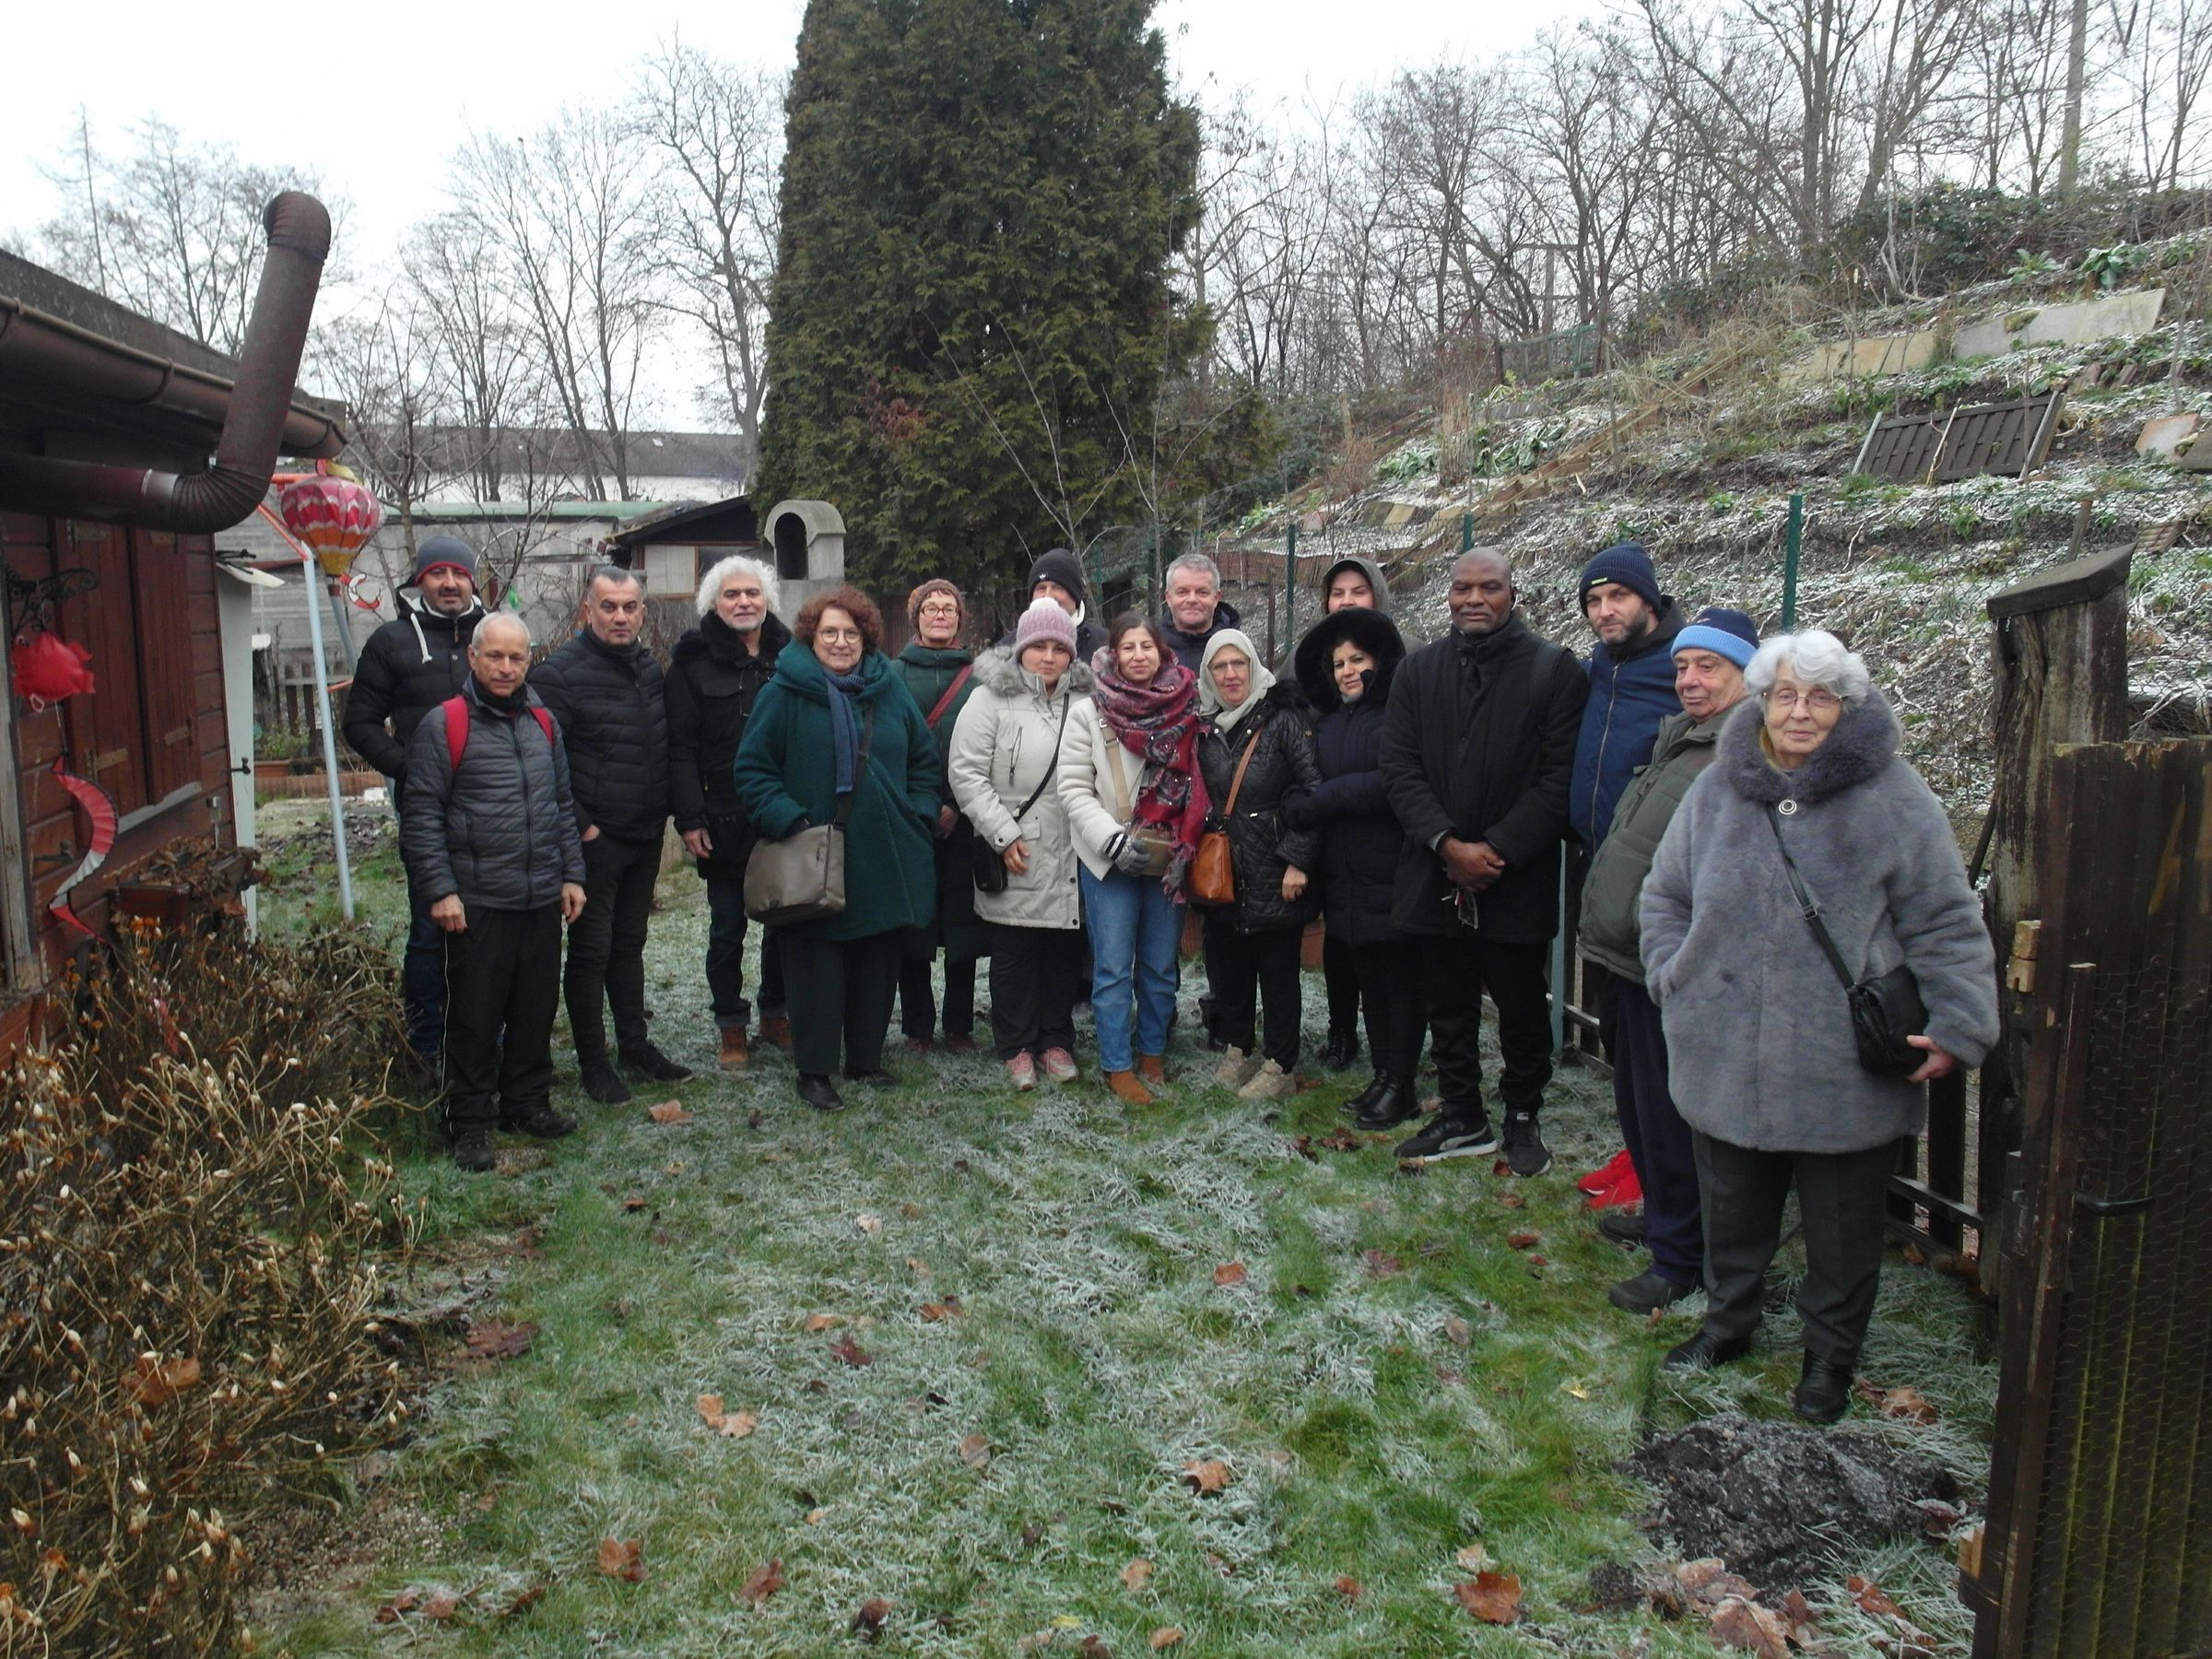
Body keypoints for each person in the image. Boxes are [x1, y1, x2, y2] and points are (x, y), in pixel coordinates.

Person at [1641, 630, 1998, 1424]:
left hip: (1842, 1062)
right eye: (1785, 695)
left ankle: (1829, 1361)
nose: (1802, 712)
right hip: (1723, 1049)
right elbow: (1664, 896)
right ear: (1762, 701)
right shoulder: (1716, 790)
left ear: (1847, 706)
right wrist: (1676, 977)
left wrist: (1959, 1022)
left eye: (1822, 696)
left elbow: (1943, 918)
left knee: (1841, 1230)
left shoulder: (1895, 796)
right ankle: (1729, 1325)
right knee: (1732, 1208)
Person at [1379, 550, 1587, 1171]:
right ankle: (1461, 1115)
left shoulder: (1554, 672)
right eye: (1462, 587)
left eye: (1489, 587)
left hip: (1513, 875)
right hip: (1435, 870)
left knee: (1522, 1005)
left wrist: (1494, 851)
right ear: (1447, 595)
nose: (1474, 598)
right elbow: (1399, 768)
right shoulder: (1417, 673)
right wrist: (1446, 843)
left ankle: (1522, 1116)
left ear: (1511, 594)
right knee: (1446, 1002)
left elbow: (1558, 781)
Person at [1576, 607, 1759, 1314]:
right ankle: (1663, 1223)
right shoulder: (1684, 740)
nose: (1689, 679)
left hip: (1672, 968)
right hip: (1627, 955)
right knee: (1641, 1106)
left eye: (1708, 666)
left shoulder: (1741, 754)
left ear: (1746, 673)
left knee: (1672, 1112)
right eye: (1682, 666)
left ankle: (1682, 1257)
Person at [734, 585, 942, 1112]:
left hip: (882, 850)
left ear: (866, 637)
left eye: (851, 633)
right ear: (811, 636)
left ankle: (865, 1060)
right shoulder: (783, 692)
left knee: (877, 959)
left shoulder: (886, 689)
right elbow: (753, 769)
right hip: (812, 852)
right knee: (815, 966)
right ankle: (815, 1070)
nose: (841, 642)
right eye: (830, 632)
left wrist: (917, 814)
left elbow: (923, 759)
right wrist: (791, 819)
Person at [399, 613, 586, 1171]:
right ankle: (471, 1122)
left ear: (529, 661)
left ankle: (526, 1104)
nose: (506, 668)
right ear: (475, 658)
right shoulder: (444, 724)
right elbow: (422, 815)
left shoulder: (544, 723)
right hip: (477, 900)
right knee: (475, 1018)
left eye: (517, 658)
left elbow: (561, 807)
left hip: (537, 894)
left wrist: (571, 875)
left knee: (533, 1009)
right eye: (496, 657)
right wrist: (440, 890)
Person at [531, 565, 689, 1103]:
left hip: (643, 833)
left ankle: (635, 1046)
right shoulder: (559, 674)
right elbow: (544, 763)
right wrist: (584, 828)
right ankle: (594, 1064)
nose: (620, 616)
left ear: (643, 612)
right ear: (587, 611)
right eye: (608, 606)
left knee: (629, 945)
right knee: (591, 951)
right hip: (595, 841)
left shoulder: (647, 668)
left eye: (629, 607)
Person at [343, 534, 487, 1064]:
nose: (449, 584)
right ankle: (426, 1048)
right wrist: (413, 769)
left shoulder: (494, 634)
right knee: (431, 925)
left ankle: (485, 1043)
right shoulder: (392, 641)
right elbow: (358, 723)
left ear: (473, 579)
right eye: (437, 574)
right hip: (426, 809)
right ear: (419, 580)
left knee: (487, 928)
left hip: (494, 806)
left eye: (459, 573)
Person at [1062, 614, 1205, 1105]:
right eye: (1129, 647)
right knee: (1114, 966)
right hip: (1110, 858)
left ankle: (1153, 1052)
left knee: (1161, 966)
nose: (1139, 655)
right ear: (1113, 655)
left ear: (1162, 653)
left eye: (1147, 646)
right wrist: (1112, 843)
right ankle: (1117, 1064)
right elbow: (1074, 790)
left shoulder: (1188, 706)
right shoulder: (1089, 711)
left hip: (1170, 857)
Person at [949, 599, 1091, 1090]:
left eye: (1058, 648)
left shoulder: (1085, 703)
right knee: (1014, 952)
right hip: (1016, 849)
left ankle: (1055, 1039)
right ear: (1021, 650)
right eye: (1038, 648)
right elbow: (966, 773)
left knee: (1063, 951)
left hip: (1073, 849)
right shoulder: (989, 700)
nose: (1048, 657)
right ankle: (1015, 1046)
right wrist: (1002, 833)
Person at [1288, 606, 1420, 1129]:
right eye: (1338, 662)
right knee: (1369, 981)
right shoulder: (1328, 725)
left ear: (1379, 662)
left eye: (1357, 659)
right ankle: (1384, 1078)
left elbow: (1391, 782)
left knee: (1399, 983)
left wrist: (1321, 801)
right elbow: (1308, 781)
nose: (1347, 670)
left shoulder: (1395, 715)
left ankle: (1402, 1080)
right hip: (1346, 872)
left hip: (1391, 868)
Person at [665, 554, 791, 1071]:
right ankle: (730, 1025)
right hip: (721, 821)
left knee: (785, 924)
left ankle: (776, 1013)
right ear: (713, 604)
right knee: (726, 930)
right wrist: (690, 818)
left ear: (767, 601)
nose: (743, 602)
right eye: (731, 595)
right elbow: (680, 749)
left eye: (752, 593)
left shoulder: (792, 657)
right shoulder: (692, 665)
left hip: (782, 818)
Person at [1193, 629, 1321, 1102]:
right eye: (1219, 667)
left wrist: (1298, 861)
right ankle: (1238, 1049)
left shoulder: (1284, 720)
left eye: (1238, 664)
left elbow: (1313, 790)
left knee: (1279, 973)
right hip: (1222, 868)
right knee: (1229, 970)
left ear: (1253, 666)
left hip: (1273, 866)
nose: (1230, 675)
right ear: (1209, 674)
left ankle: (1280, 1064)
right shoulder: (1204, 726)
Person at [1307, 556, 1395, 1071]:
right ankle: (1342, 1032)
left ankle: (1390, 1050)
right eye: (1337, 592)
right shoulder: (1318, 667)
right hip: (1331, 838)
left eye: (1357, 591)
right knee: (1337, 939)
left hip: (1380, 839)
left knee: (1383, 948)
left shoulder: (1393, 666)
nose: (1346, 601)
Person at [891, 579, 987, 1053]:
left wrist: (955, 804)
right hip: (910, 817)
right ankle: (916, 1026)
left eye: (949, 608)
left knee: (962, 924)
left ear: (959, 619)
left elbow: (985, 749)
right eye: (930, 607)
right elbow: (892, 747)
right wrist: (926, 805)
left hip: (967, 818)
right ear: (917, 618)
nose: (940, 614)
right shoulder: (892, 675)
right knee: (914, 924)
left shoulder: (980, 678)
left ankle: (959, 1024)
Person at [1570, 542, 1686, 857]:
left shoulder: (1686, 669)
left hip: (1657, 865)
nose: (1604, 611)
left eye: (1618, 595)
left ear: (1648, 601)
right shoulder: (1600, 668)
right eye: (1593, 601)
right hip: (1592, 856)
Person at [997, 547, 1109, 665]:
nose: (1048, 596)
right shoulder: (1005, 651)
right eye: (1041, 588)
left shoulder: (1105, 644)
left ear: (1075, 596)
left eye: (1058, 588)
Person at [1156, 552, 1241, 673]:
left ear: (1217, 597)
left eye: (1202, 592)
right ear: (1169, 598)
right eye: (1182, 592)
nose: (1192, 600)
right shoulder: (1149, 650)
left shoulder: (1241, 651)